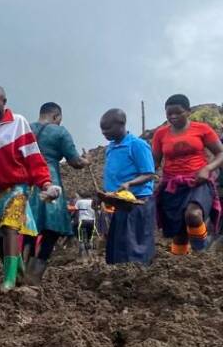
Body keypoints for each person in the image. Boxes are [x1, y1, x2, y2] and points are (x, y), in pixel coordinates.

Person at [0, 86, 58, 291]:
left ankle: (9, 279)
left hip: (17, 187)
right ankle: (19, 272)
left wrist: (46, 183)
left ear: (4, 101)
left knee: (10, 227)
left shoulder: (18, 123)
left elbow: (33, 157)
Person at [25, 103, 90, 282]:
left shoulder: (26, 128)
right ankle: (34, 275)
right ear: (56, 116)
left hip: (27, 182)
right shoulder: (60, 132)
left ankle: (20, 271)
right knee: (52, 229)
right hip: (49, 179)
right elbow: (75, 161)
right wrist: (86, 161)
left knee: (28, 230)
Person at [152, 94, 223, 254]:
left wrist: (207, 169)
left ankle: (201, 254)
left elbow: (221, 153)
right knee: (179, 233)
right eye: (169, 113)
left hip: (198, 181)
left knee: (193, 215)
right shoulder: (160, 134)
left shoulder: (202, 129)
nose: (173, 116)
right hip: (173, 185)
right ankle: (181, 266)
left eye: (178, 112)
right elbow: (154, 163)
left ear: (188, 111)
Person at [100, 109, 157, 265]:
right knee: (118, 245)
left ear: (121, 124)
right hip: (120, 204)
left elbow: (149, 173)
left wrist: (130, 183)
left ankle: (137, 278)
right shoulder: (110, 148)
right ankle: (119, 278)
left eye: (107, 129)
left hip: (137, 202)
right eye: (102, 129)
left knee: (134, 244)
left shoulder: (137, 145)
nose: (104, 133)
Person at [74, 194, 97, 258]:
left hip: (82, 221)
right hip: (92, 221)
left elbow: (75, 210)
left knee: (81, 238)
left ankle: (83, 256)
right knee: (90, 239)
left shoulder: (79, 201)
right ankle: (91, 254)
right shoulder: (93, 201)